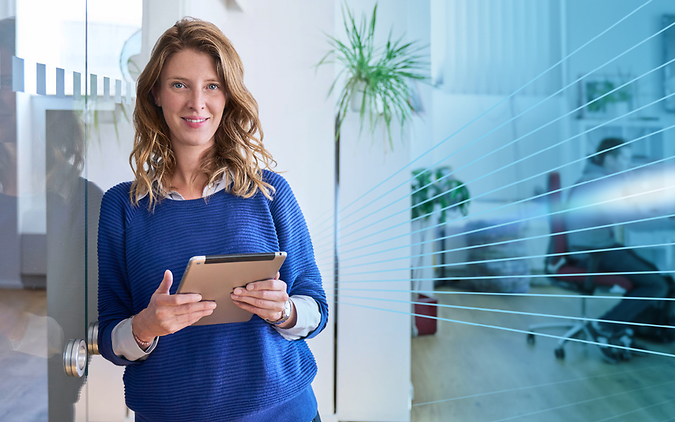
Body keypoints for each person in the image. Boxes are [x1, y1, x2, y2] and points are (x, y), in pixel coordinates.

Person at [97, 18, 328, 422]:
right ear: (155, 94)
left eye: (212, 86)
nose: (196, 103)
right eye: (179, 85)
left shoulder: (269, 193)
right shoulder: (121, 207)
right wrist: (144, 327)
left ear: (228, 96)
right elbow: (108, 335)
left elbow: (316, 309)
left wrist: (284, 310)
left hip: (282, 412)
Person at [565, 137, 670, 362]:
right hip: (593, 252)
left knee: (653, 273)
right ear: (609, 158)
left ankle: (621, 330)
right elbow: (634, 222)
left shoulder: (594, 178)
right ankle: (604, 326)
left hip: (593, 247)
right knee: (656, 284)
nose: (628, 164)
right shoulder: (599, 183)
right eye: (624, 158)